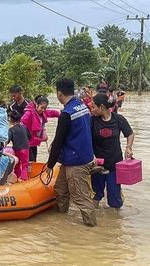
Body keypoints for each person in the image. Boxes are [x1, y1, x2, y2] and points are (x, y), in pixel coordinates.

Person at [45, 78, 97, 227]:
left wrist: (50, 165)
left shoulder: (66, 114)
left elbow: (59, 141)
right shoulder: (82, 106)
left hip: (76, 162)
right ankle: (62, 222)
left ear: (59, 93)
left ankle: (92, 231)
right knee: (60, 190)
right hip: (80, 156)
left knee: (81, 198)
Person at [90, 93, 135, 208]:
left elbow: (129, 134)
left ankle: (115, 223)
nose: (92, 109)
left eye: (94, 106)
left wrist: (128, 147)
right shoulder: (92, 121)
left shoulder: (118, 119)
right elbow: (85, 140)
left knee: (114, 199)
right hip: (97, 166)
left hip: (114, 164)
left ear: (102, 107)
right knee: (96, 194)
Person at [21, 95, 60, 162]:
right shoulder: (29, 113)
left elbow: (53, 113)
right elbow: (22, 122)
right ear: (36, 105)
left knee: (34, 160)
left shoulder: (43, 112)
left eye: (45, 108)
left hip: (34, 143)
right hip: (27, 143)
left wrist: (62, 114)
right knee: (30, 162)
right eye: (42, 108)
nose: (43, 110)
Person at [6, 111, 31, 181]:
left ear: (11, 120)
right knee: (25, 165)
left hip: (17, 149)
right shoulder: (24, 127)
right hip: (25, 149)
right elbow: (29, 137)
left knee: (17, 164)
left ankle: (17, 178)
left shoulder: (11, 130)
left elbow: (7, 140)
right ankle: (24, 179)